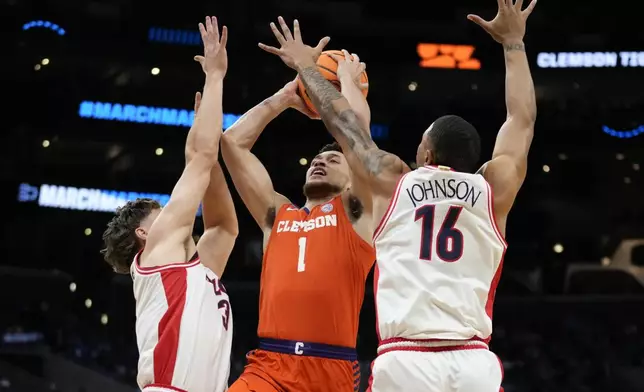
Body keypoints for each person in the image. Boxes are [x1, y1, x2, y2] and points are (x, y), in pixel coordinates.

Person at [260, 1, 537, 390]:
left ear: (425, 153)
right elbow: (521, 121)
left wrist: (308, 68)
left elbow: (343, 123)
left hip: (406, 358)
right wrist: (513, 43)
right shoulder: (494, 187)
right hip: (473, 359)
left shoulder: (393, 180)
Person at [222, 28, 374, 392]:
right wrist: (284, 98)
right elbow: (232, 145)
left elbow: (358, 136)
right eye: (316, 159)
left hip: (330, 369)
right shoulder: (278, 215)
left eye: (333, 158)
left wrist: (344, 81)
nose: (319, 163)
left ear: (353, 177)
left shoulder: (357, 213)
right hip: (268, 366)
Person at [100, 17, 237, 392]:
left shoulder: (193, 269)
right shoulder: (158, 250)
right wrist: (214, 76)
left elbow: (224, 227)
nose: (174, 210)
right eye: (160, 211)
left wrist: (207, 151)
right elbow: (202, 156)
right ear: (145, 232)